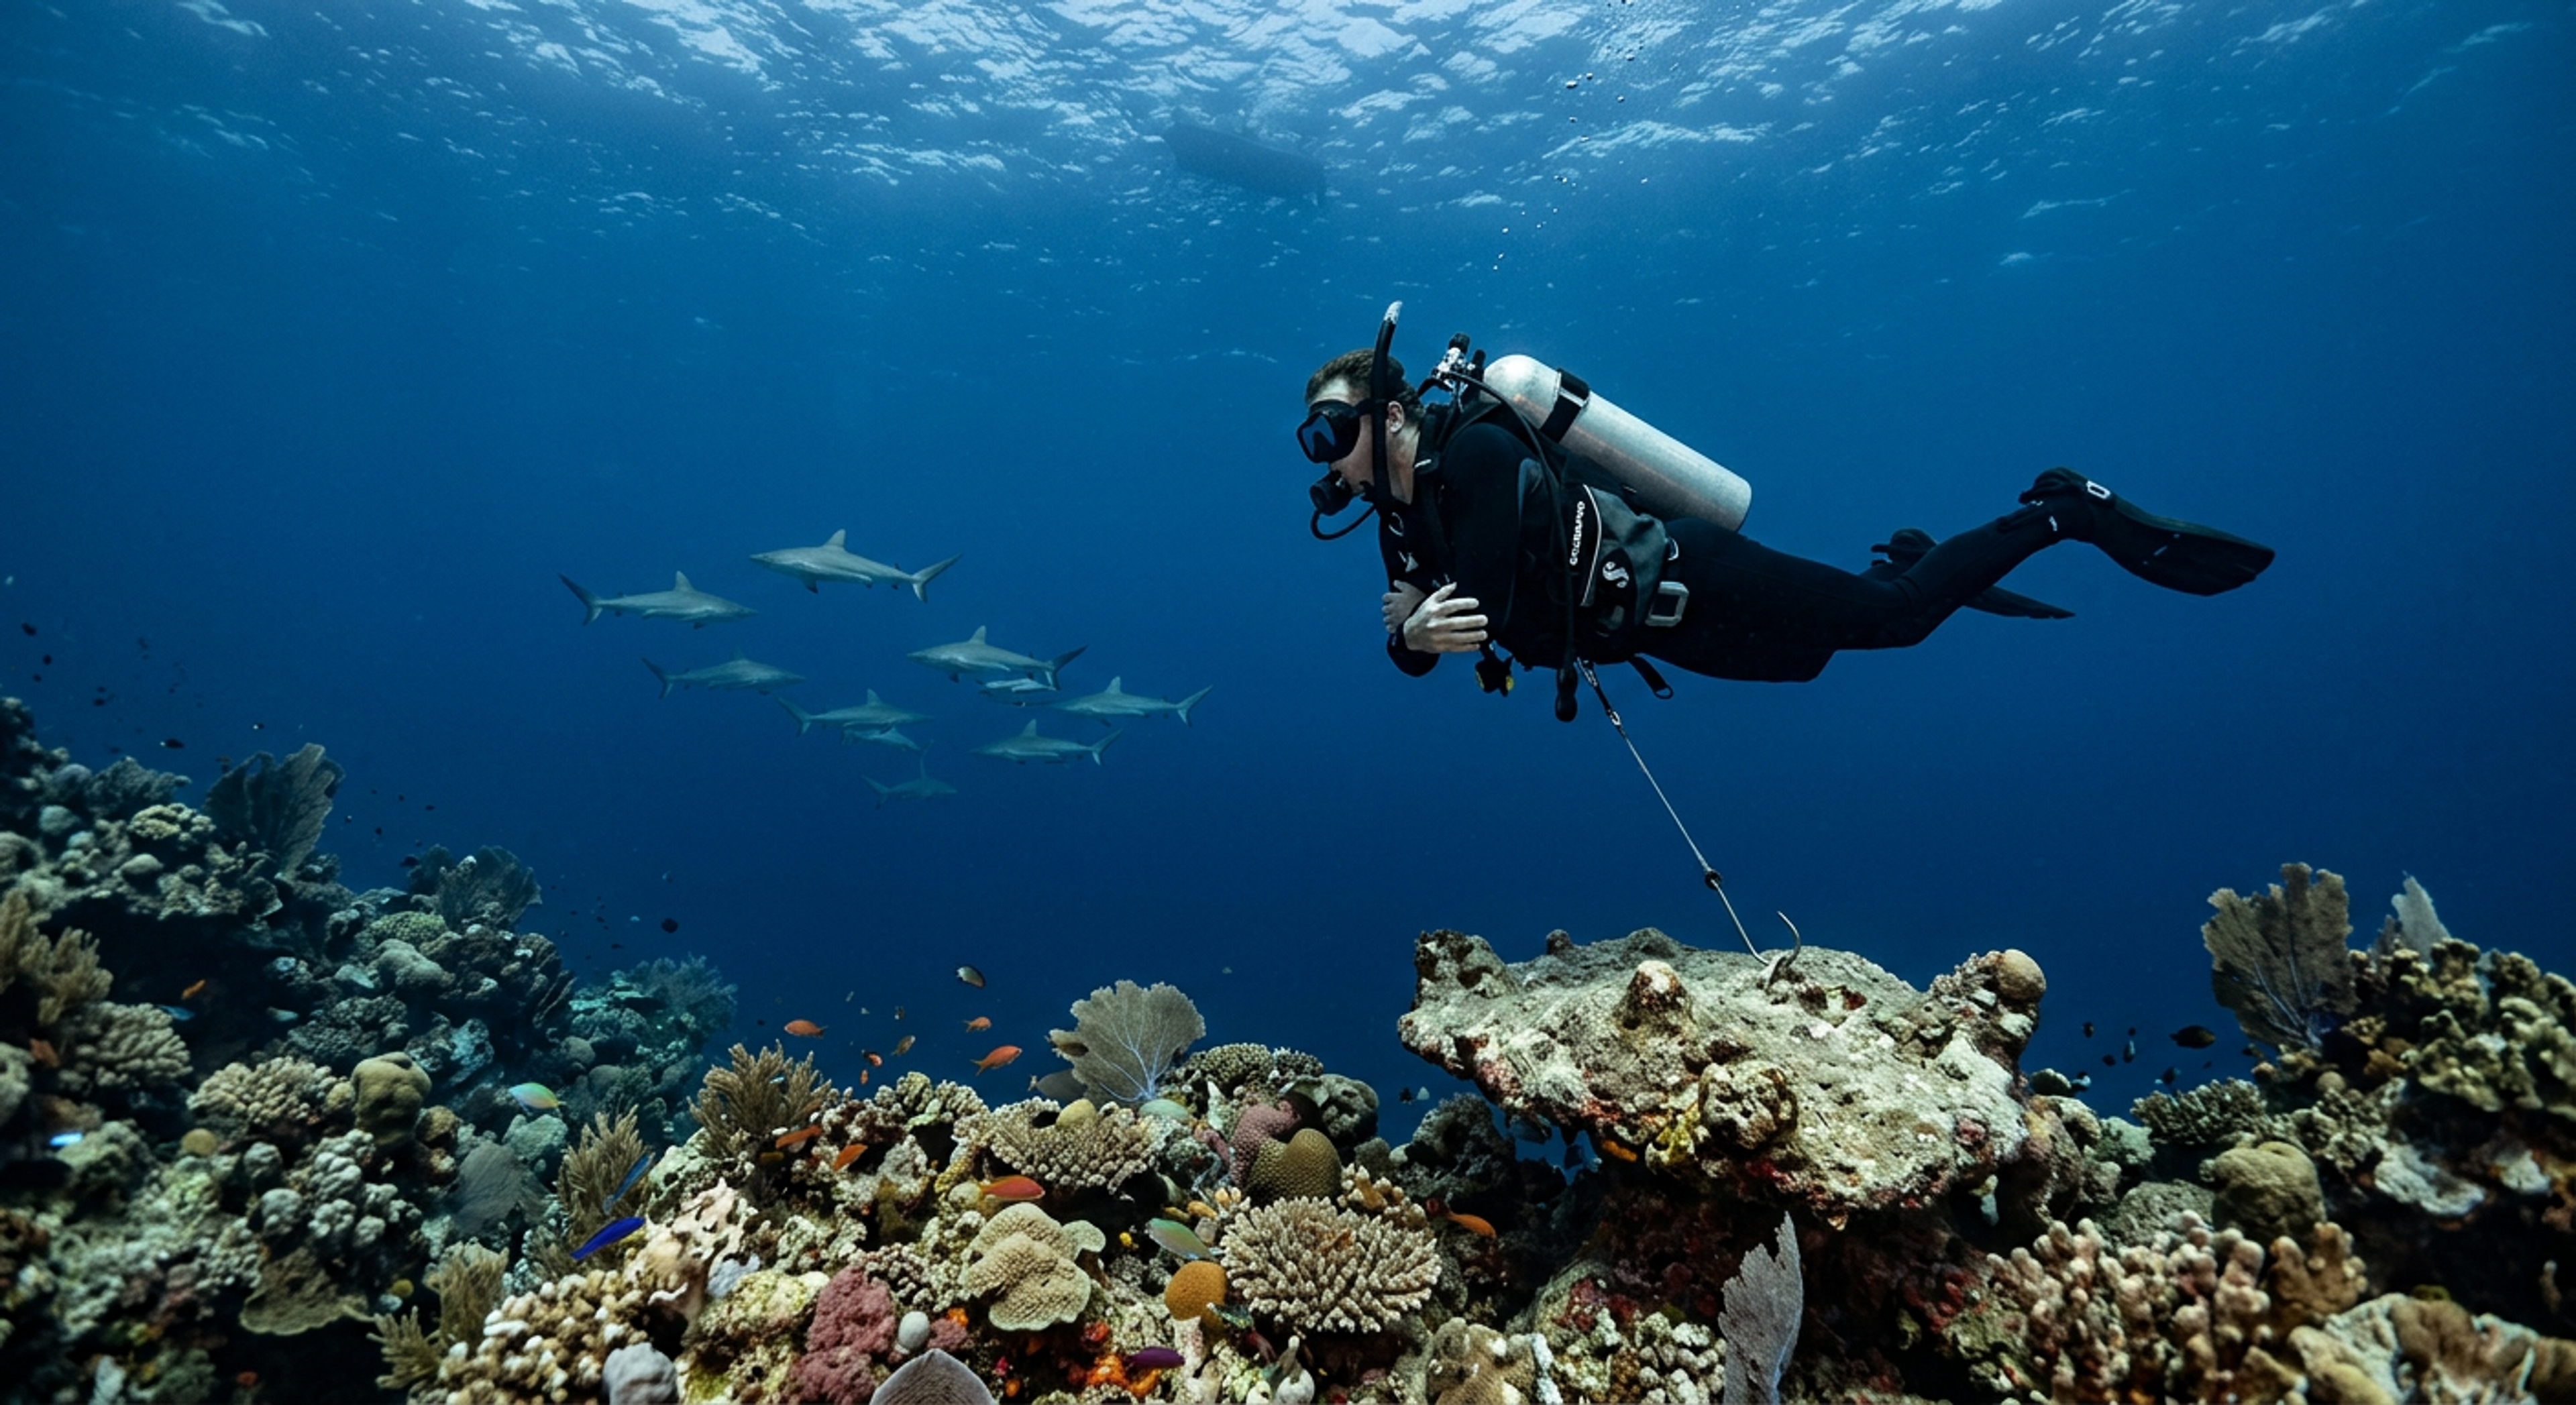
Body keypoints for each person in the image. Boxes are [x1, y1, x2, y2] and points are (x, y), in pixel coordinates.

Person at [1295, 347, 2275, 689]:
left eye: (1332, 428)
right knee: (1816, 656)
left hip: (1690, 570)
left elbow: (1492, 603)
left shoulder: (1472, 448)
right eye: (1314, 439)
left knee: (1888, 621)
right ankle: (1922, 563)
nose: (1326, 455)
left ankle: (2063, 512)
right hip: (1651, 631)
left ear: (1389, 416)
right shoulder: (1403, 524)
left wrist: (1425, 619)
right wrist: (1417, 630)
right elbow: (1423, 649)